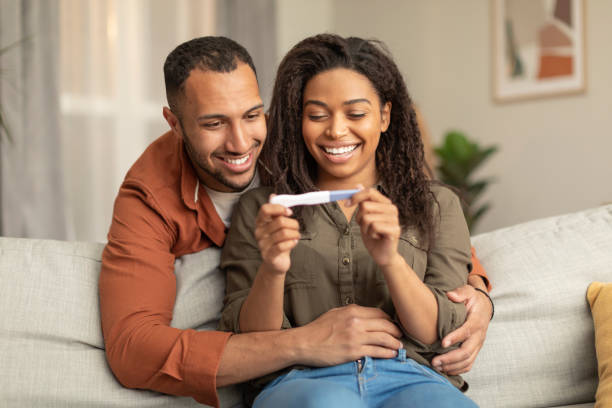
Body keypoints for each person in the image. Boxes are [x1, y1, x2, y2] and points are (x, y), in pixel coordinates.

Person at [99, 36, 491, 408]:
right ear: (175, 123)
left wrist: (480, 296)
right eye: (213, 124)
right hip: (300, 376)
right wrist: (303, 341)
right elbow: (134, 348)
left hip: (409, 373)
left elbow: (433, 242)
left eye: (253, 115)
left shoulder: (301, 142)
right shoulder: (150, 197)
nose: (240, 142)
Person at [219, 34, 482, 407]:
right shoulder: (264, 209)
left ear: (385, 116)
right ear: (298, 120)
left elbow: (436, 334)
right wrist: (273, 269)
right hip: (301, 379)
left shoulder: (437, 205)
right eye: (317, 115)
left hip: (411, 374)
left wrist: (391, 260)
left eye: (356, 114)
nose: (336, 131)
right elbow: (252, 337)